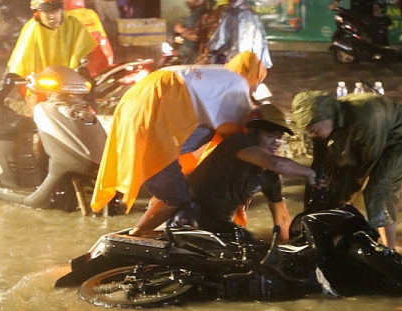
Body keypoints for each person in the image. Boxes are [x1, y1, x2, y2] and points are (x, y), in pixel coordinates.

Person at [91, 51, 268, 235]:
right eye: (258, 82)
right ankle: (137, 235)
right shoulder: (238, 84)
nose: (255, 89)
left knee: (170, 182)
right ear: (253, 77)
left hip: (135, 99)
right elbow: (241, 138)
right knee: (176, 196)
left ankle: (156, 214)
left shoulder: (217, 76)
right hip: (157, 105)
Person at [291, 91, 402, 250]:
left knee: (378, 190)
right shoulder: (325, 123)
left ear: (328, 118)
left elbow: (367, 163)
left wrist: (347, 191)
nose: (312, 134)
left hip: (399, 139)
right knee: (332, 187)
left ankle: (389, 249)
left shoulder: (365, 116)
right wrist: (321, 185)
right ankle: (337, 234)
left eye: (313, 130)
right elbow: (321, 161)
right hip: (359, 135)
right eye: (308, 131)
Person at [185, 103, 318, 243]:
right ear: (254, 132)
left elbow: (282, 220)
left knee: (251, 249)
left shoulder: (269, 176)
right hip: (190, 217)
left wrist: (284, 250)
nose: (276, 142)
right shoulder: (238, 142)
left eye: (279, 137)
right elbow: (275, 162)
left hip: (220, 225)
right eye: (270, 135)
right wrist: (309, 173)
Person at [0, 0, 98, 110]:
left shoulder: (72, 24)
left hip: (69, 84)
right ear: (37, 13)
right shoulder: (32, 29)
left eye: (56, 11)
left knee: (86, 111)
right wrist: (2, 93)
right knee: (39, 114)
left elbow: (81, 54)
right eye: (47, 12)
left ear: (62, 10)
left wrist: (87, 78)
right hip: (41, 86)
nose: (52, 16)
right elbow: (17, 63)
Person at [207, 0, 272, 68]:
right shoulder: (253, 14)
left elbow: (218, 41)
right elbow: (261, 39)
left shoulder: (230, 14)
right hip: (252, 61)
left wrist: (211, 49)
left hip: (232, 60)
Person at [193, 0, 230, 65]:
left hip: (210, 55)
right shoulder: (239, 17)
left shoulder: (209, 16)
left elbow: (196, 33)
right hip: (232, 57)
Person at [174, 0, 208, 64]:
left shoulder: (196, 16)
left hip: (197, 57)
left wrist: (180, 51)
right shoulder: (204, 12)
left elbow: (190, 47)